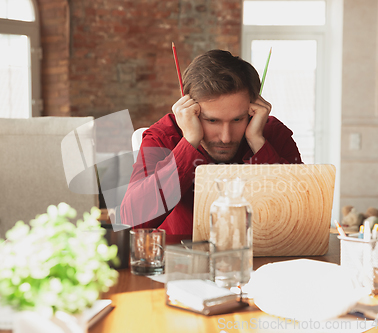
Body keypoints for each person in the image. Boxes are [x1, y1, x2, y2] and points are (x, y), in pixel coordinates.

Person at [121, 49, 302, 235]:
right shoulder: (164, 135)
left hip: (263, 259)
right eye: (212, 121)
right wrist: (189, 142)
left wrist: (258, 142)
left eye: (237, 119)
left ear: (252, 108)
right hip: (182, 260)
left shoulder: (271, 133)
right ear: (191, 109)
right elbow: (133, 220)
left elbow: (302, 214)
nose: (226, 137)